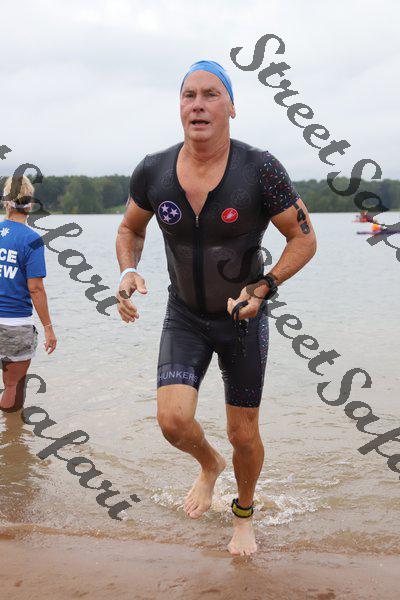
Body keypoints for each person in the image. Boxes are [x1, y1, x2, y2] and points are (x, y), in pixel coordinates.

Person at [116, 60, 317, 555]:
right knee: (172, 422)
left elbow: (304, 239)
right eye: (190, 95)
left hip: (241, 318)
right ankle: (209, 465)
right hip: (184, 315)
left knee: (242, 433)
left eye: (211, 94)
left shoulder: (260, 169)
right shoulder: (154, 170)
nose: (199, 105)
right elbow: (130, 228)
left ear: (231, 106)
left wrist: (264, 286)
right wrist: (128, 270)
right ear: (179, 107)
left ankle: (243, 515)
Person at [0, 175, 56, 412]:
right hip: (15, 324)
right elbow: (35, 288)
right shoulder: (31, 240)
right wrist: (48, 327)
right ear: (30, 204)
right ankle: (12, 433)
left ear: (6, 202)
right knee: (12, 386)